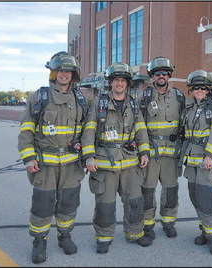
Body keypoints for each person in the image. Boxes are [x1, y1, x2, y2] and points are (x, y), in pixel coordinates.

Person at [18, 51, 88, 263]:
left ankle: (64, 236)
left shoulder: (81, 98)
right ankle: (39, 242)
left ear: (73, 74)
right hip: (44, 165)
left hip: (70, 165)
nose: (65, 74)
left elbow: (87, 131)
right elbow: (26, 130)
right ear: (54, 72)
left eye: (68, 71)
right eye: (61, 70)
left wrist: (87, 156)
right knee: (42, 205)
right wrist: (29, 158)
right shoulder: (39, 97)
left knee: (68, 203)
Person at [81, 62, 152, 254]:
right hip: (105, 162)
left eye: (123, 80)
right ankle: (104, 237)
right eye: (116, 80)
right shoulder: (98, 103)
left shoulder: (134, 104)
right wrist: (88, 156)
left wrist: (145, 152)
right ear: (110, 83)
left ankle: (134, 233)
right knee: (105, 204)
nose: (119, 84)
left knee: (135, 201)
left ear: (127, 84)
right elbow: (89, 131)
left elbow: (141, 130)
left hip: (130, 163)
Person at [179, 70, 212, 255]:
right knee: (196, 197)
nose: (199, 90)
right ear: (191, 90)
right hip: (192, 162)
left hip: (208, 161)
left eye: (203, 87)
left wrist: (211, 156)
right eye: (195, 87)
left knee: (209, 200)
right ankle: (206, 231)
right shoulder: (190, 108)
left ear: (208, 90)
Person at [139, 56, 185, 239]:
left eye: (164, 73)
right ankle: (147, 224)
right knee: (148, 191)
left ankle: (168, 222)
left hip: (172, 154)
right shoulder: (144, 97)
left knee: (171, 190)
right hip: (151, 153)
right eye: (157, 73)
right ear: (152, 76)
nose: (161, 76)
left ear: (169, 76)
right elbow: (139, 125)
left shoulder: (179, 96)